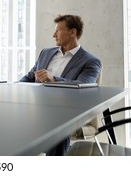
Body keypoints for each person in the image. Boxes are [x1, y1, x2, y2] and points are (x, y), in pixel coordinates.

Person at [19, 14, 102, 156]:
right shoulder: (46, 53)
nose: (53, 35)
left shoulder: (91, 61)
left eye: (57, 30)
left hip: (65, 110)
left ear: (72, 32)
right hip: (36, 106)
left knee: (59, 123)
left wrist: (53, 78)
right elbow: (29, 78)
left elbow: (83, 86)